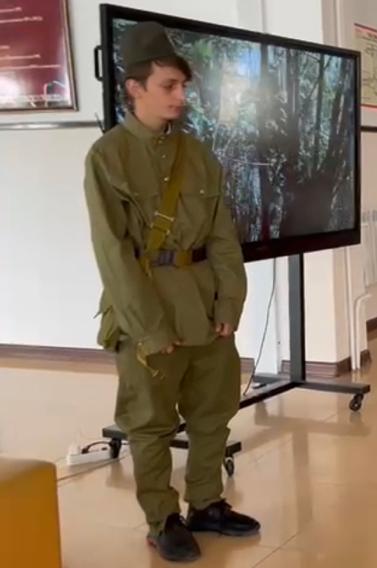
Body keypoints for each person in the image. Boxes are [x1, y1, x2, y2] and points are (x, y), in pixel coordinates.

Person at [83, 22, 259, 563]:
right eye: (168, 86)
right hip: (148, 310)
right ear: (134, 88)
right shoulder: (108, 157)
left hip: (205, 308)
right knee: (151, 423)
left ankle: (206, 504)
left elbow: (223, 237)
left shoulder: (199, 155)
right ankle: (162, 518)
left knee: (213, 413)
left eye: (183, 85)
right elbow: (114, 253)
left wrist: (229, 303)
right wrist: (150, 327)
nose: (181, 96)